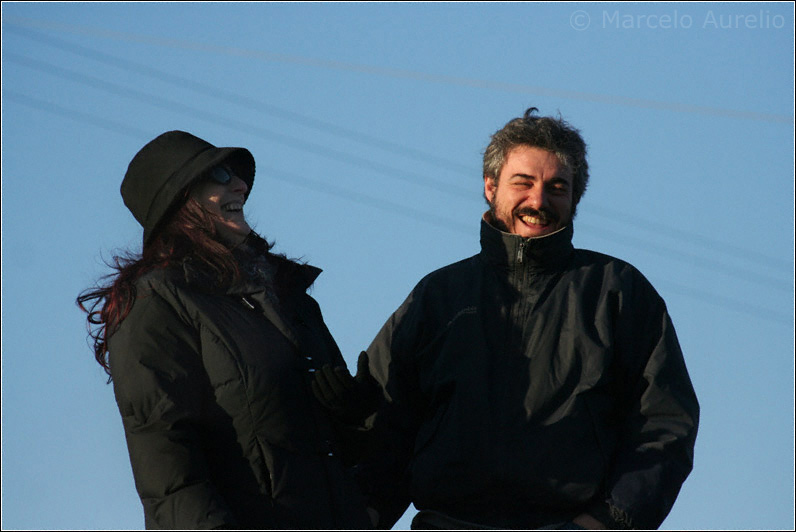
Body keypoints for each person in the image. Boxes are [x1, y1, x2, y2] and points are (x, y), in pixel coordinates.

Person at [333, 107, 700, 530]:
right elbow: (386, 429)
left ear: (574, 198)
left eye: (557, 187)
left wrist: (607, 522)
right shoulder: (437, 296)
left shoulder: (618, 292)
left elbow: (664, 424)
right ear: (490, 186)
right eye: (523, 182)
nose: (538, 200)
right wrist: (362, 513)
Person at [77, 131, 373, 529]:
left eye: (237, 174)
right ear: (181, 201)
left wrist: (353, 418)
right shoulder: (156, 303)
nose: (241, 184)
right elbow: (170, 475)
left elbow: (335, 450)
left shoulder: (291, 297)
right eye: (219, 174)